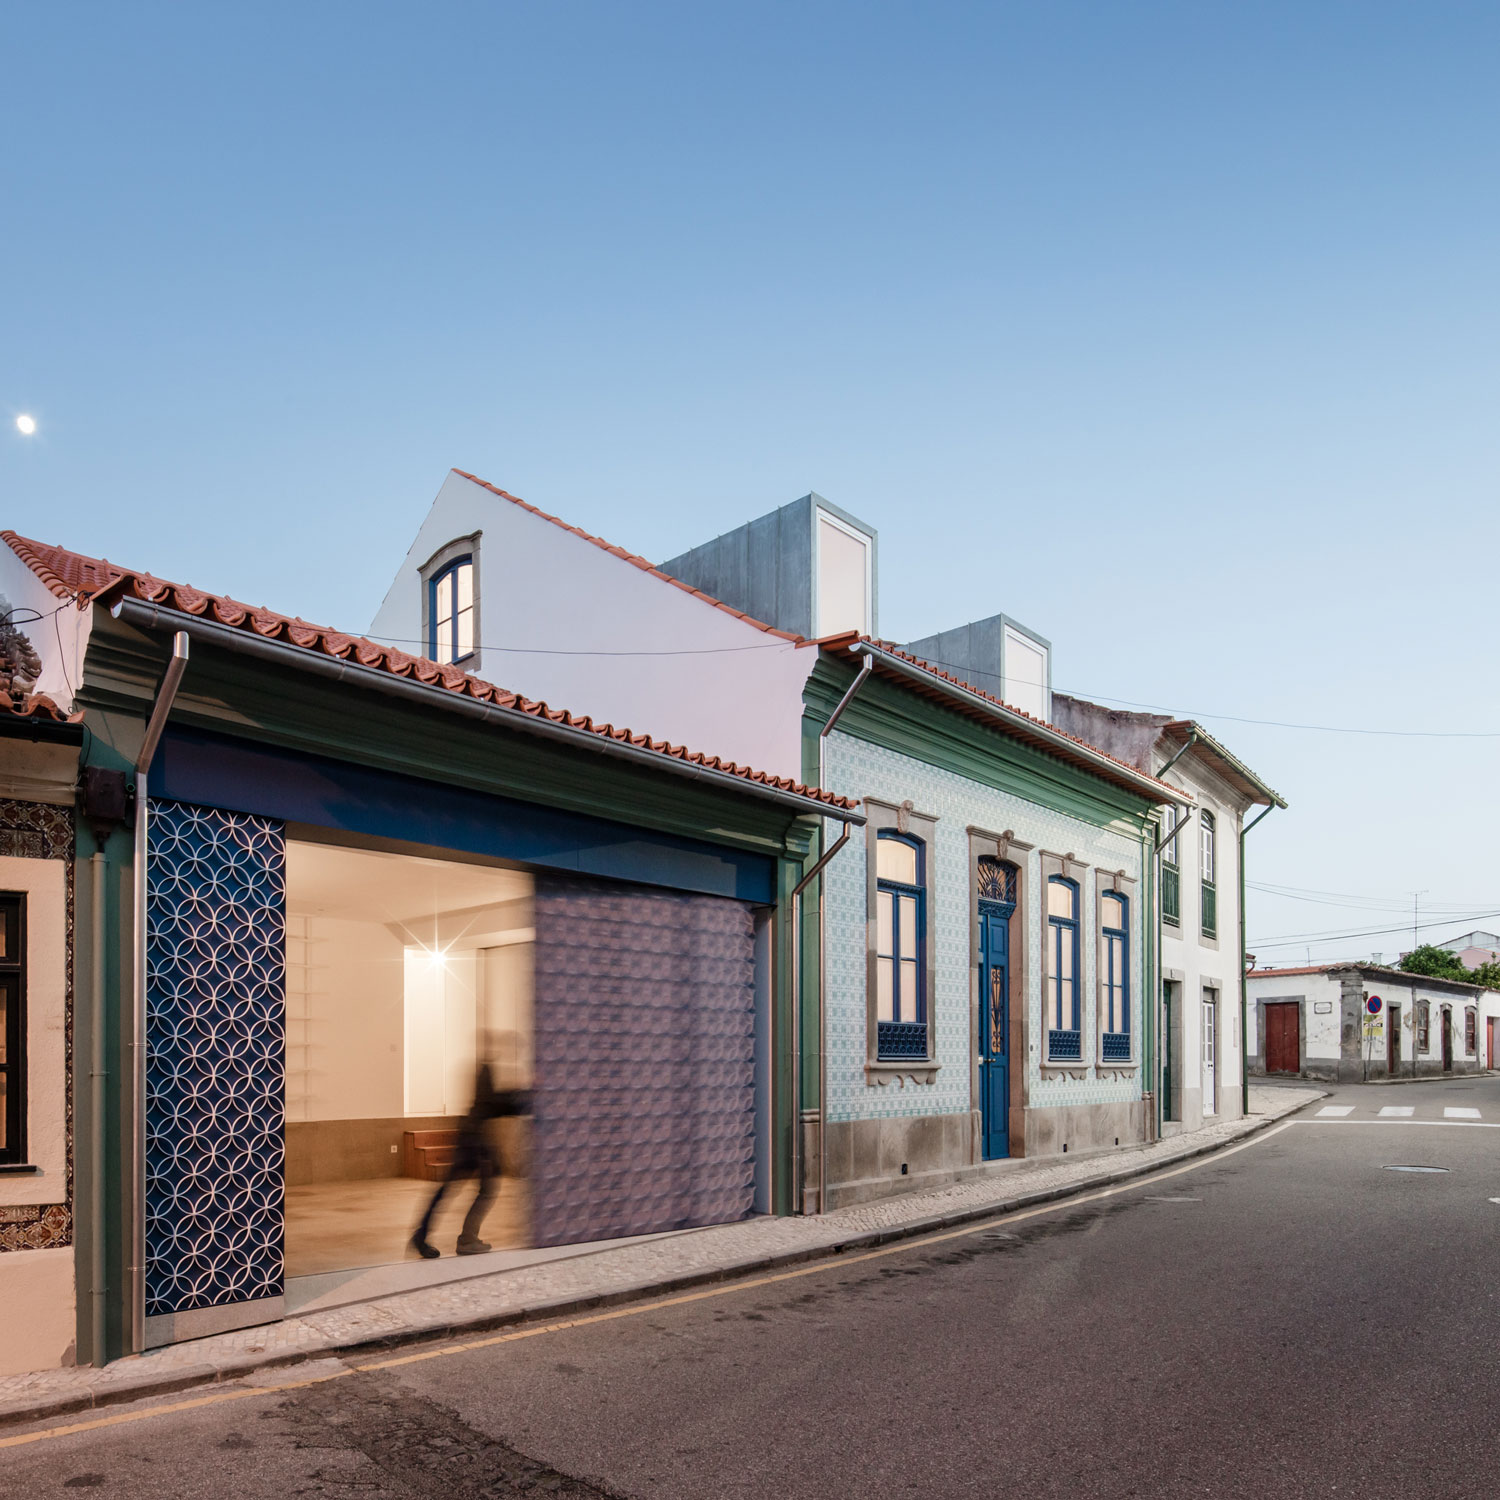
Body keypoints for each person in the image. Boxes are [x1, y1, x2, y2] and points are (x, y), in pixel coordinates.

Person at [411, 1060, 531, 1258]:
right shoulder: (486, 1079)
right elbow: (500, 1103)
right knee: (481, 1190)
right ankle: (465, 1239)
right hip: (474, 1143)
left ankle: (433, 1235)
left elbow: (499, 1103)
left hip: (472, 1140)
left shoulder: (483, 1080)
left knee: (453, 1191)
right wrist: (528, 1094)